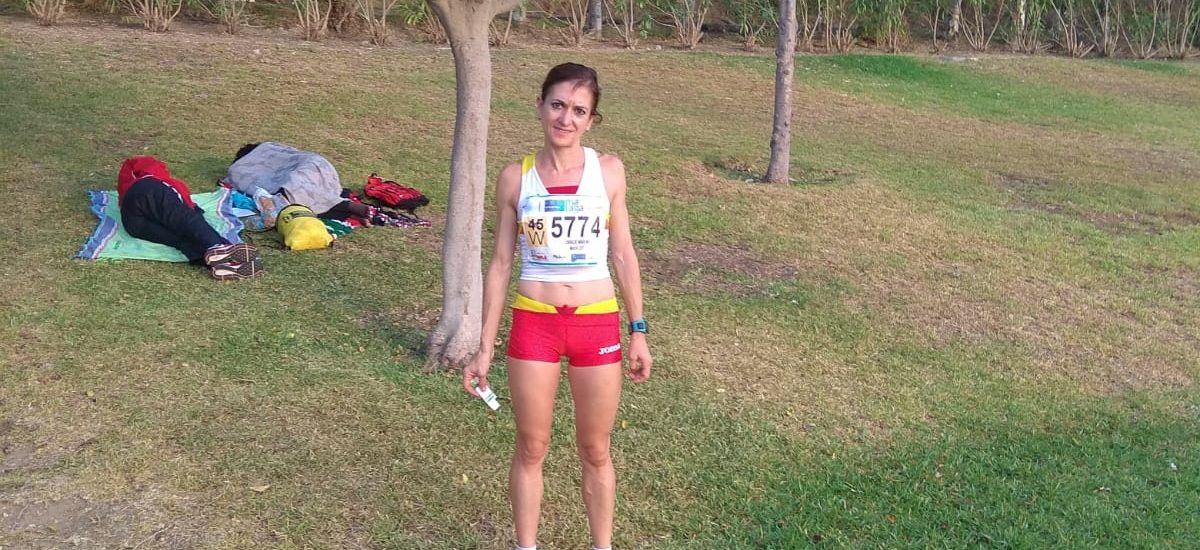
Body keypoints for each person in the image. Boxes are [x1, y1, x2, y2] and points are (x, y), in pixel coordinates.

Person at [462, 63, 652, 550]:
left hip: (596, 325)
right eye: (558, 105)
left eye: (579, 110)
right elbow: (500, 264)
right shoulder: (514, 179)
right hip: (535, 326)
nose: (566, 118)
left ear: (591, 119)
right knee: (531, 447)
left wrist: (638, 330)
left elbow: (623, 253)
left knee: (595, 449)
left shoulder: (608, 172)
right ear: (540, 106)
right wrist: (484, 346)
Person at [117, 156, 262, 280]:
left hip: (133, 224)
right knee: (185, 220)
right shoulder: (155, 179)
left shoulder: (128, 183)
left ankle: (222, 265)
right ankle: (217, 245)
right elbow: (187, 212)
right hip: (144, 191)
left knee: (180, 240)